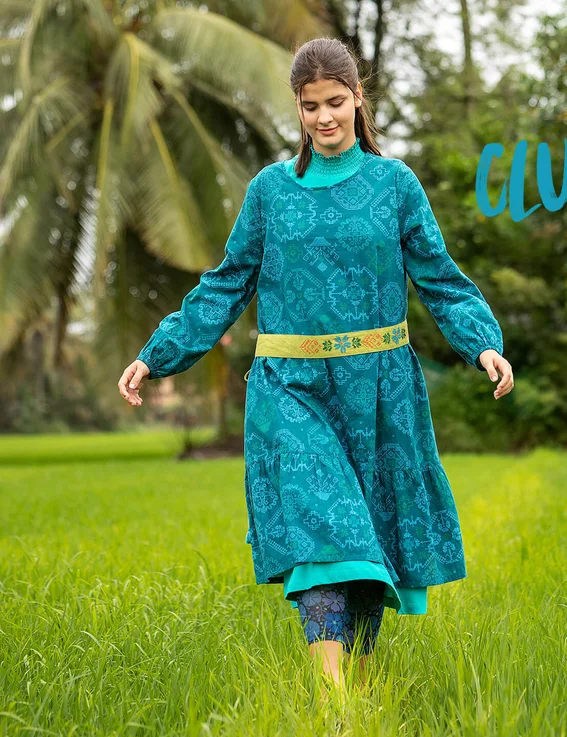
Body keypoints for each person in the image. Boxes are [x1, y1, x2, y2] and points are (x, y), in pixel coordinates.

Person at [118, 37, 514, 698]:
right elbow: (225, 284)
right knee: (324, 534)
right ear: (297, 111)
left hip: (378, 390)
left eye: (336, 102)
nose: (324, 117)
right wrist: (156, 353)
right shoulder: (271, 191)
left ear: (359, 100)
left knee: (367, 542)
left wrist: (482, 342)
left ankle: (358, 690)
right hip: (290, 390)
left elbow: (441, 280)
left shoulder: (394, 186)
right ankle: (331, 703)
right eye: (310, 107)